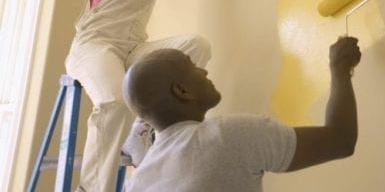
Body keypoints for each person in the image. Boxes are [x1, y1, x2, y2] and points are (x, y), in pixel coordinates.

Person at [64, 0, 218, 192]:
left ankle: (140, 133)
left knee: (196, 46)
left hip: (132, 49)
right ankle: (92, 188)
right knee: (114, 101)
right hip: (95, 46)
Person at [122, 36, 361, 192]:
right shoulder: (226, 137)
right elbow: (340, 140)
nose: (204, 71)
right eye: (193, 66)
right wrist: (340, 68)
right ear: (182, 90)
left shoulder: (136, 184)